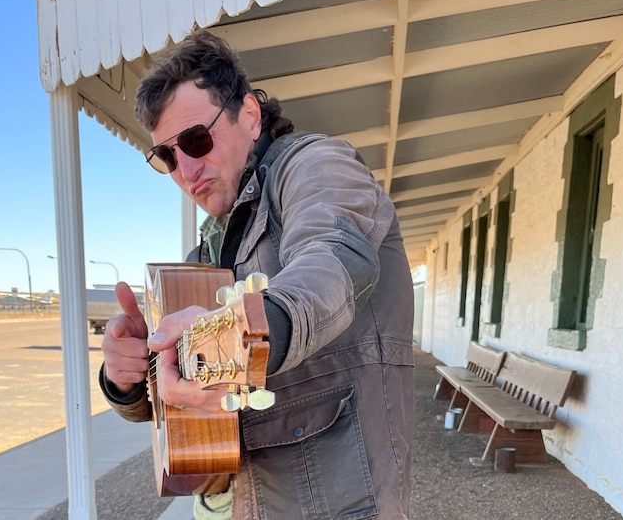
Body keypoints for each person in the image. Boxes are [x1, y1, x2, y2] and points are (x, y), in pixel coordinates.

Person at [99, 30, 415, 520]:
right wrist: (133, 374)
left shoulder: (316, 165)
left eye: (196, 139)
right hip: (239, 495)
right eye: (166, 155)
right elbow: (182, 388)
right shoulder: (207, 244)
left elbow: (333, 257)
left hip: (333, 499)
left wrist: (238, 335)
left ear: (249, 115)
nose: (185, 169)